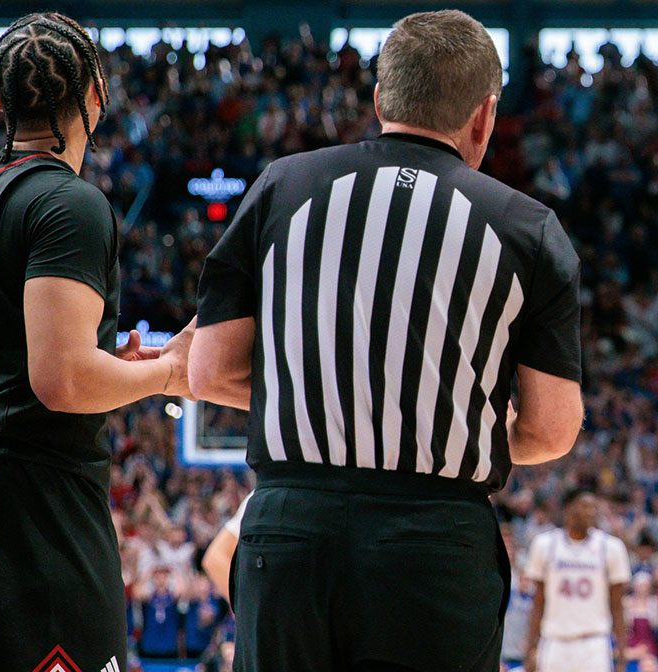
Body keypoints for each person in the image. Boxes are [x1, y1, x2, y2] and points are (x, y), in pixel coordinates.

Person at [188, 9, 583, 671]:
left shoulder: (281, 187)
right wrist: (442, 418)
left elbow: (208, 373)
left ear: (379, 100)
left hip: (290, 531)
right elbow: (551, 428)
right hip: (434, 546)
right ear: (484, 116)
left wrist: (329, 402)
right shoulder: (528, 227)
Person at [0, 13, 194, 672]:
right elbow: (63, 382)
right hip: (32, 508)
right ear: (94, 97)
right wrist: (167, 374)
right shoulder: (66, 202)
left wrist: (109, 369)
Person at [523, 488, 630, 672]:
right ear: (568, 509)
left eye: (594, 507)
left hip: (594, 643)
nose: (591, 512)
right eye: (585, 506)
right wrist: (530, 648)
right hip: (554, 641)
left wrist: (621, 654)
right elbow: (538, 601)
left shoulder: (611, 547)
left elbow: (617, 605)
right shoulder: (544, 545)